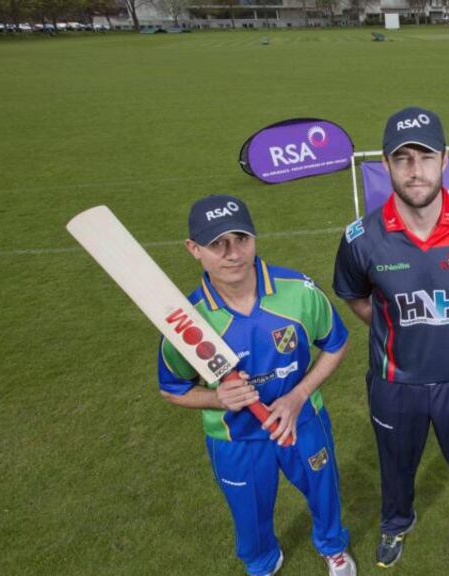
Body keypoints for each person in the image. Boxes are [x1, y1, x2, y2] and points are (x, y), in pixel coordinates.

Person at [332, 107, 449, 568]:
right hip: (395, 386)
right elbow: (356, 298)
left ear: (445, 160)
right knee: (395, 465)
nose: (416, 170)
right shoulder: (360, 238)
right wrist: (397, 325)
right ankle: (396, 523)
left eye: (426, 157)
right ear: (387, 164)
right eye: (403, 158)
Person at [158, 194, 357, 576]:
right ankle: (263, 562)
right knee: (249, 515)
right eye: (217, 243)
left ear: (254, 238)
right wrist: (216, 397)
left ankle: (332, 547)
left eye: (241, 239)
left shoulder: (298, 291)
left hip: (302, 422)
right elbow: (172, 388)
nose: (233, 253)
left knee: (324, 492)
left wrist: (298, 396)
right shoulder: (187, 321)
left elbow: (336, 342)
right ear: (193, 249)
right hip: (237, 439)